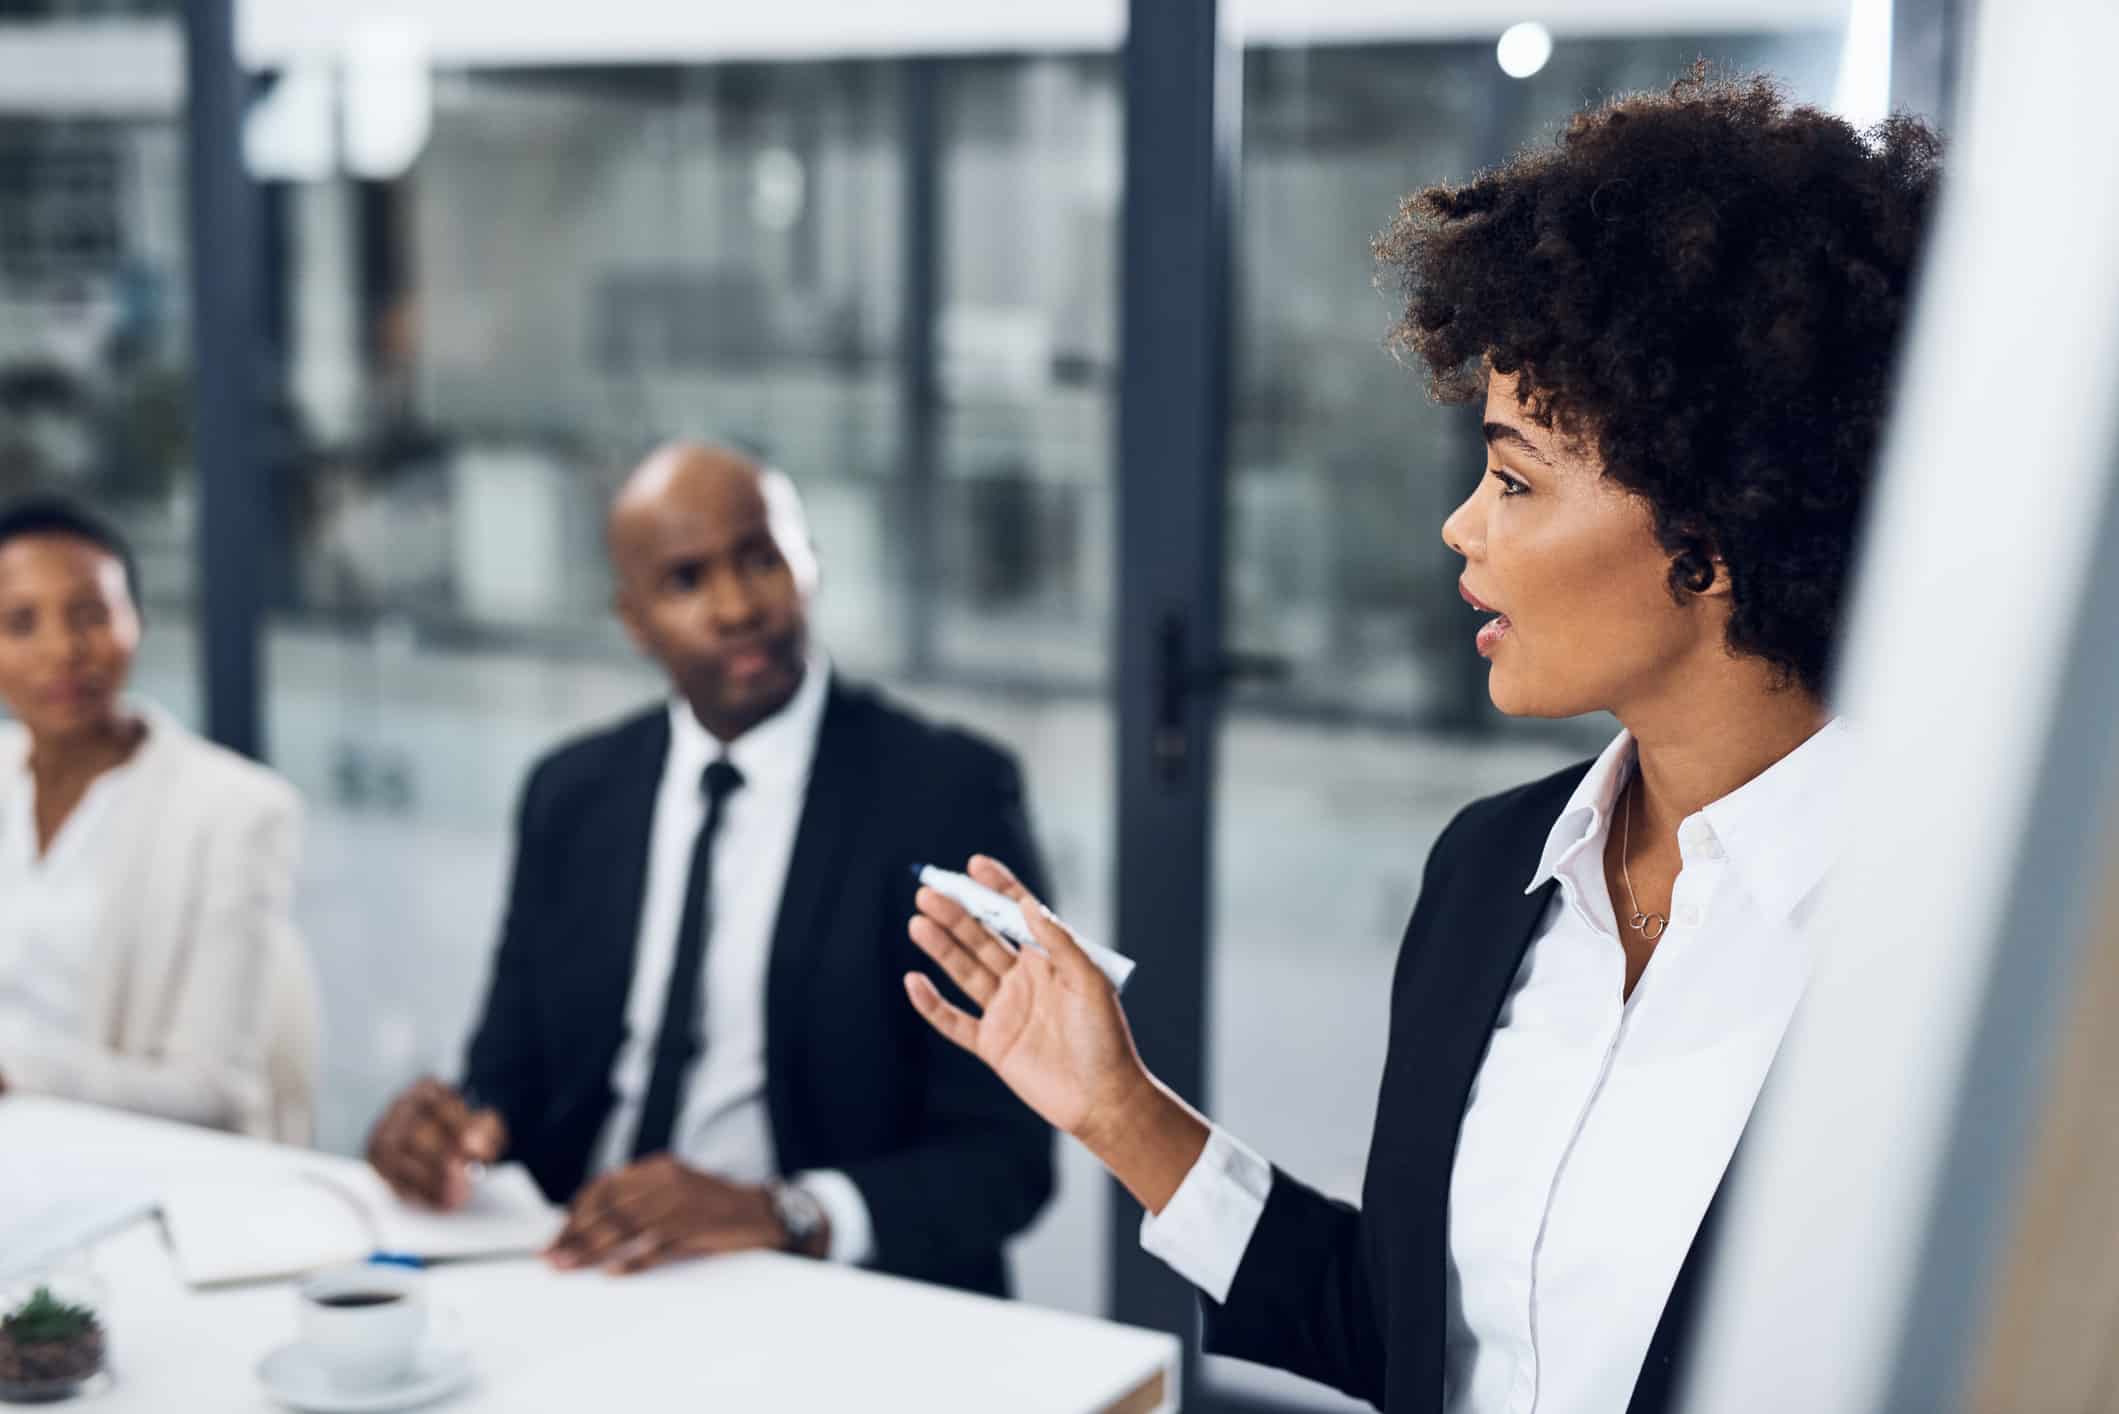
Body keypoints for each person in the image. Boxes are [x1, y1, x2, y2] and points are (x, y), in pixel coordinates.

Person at [901, 70, 1942, 1413]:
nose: (1460, 525)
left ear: (1711, 538)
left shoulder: (1924, 945)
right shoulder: (1488, 872)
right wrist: (1119, 1106)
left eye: (1511, 479)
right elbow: (1404, 1333)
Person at [365, 442, 1054, 1296]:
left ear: (810, 564)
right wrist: (456, 1133)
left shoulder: (946, 795)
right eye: (686, 581)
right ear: (633, 619)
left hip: (827, 1293)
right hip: (594, 1265)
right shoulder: (572, 795)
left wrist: (783, 1213)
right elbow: (510, 1070)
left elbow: (1009, 1160)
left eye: (761, 560)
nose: (735, 607)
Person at [0, 494, 318, 1141]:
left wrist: (18, 1076)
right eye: (21, 622)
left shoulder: (236, 811)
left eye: (90, 615)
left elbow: (215, 1093)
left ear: (136, 622)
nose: (64, 649)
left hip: (109, 1158)